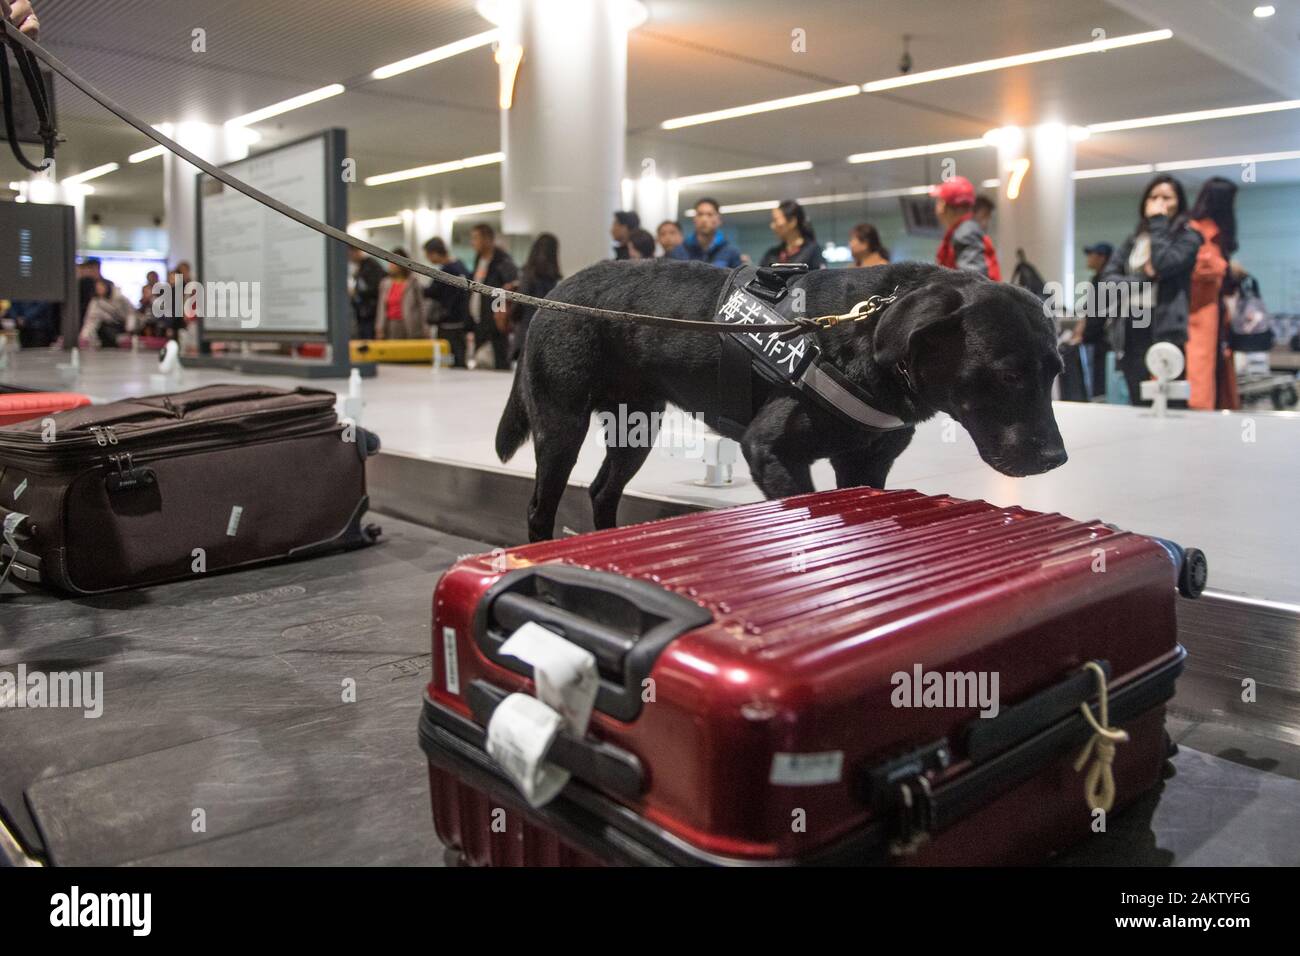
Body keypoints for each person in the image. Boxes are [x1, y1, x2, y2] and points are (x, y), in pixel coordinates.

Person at [1100, 174, 1202, 407]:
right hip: (1132, 322)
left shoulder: (1189, 238)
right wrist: (1144, 278)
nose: (1159, 202)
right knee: (1138, 395)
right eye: (1153, 197)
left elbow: (1164, 262)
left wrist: (1158, 222)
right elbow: (1108, 280)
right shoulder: (1134, 239)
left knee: (1168, 395)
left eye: (1166, 197)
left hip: (1165, 323)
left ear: (1179, 203)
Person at [1187, 177, 1240, 411]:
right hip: (1200, 311)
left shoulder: (1209, 231)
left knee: (1212, 366)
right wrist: (1227, 267)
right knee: (1201, 366)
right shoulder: (1199, 230)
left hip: (1211, 312)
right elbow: (1200, 267)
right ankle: (1201, 417)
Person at [468, 222, 518, 370]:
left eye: (476, 238)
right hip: (478, 323)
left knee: (498, 364)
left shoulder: (503, 262)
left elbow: (506, 290)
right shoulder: (479, 261)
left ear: (488, 239)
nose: (473, 243)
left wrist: (498, 315)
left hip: (495, 327)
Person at [931, 176, 1001, 279]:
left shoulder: (965, 232)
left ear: (943, 205)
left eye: (939, 201)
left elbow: (973, 283)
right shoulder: (965, 230)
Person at [1070, 242, 1113, 399]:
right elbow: (1090, 310)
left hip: (1103, 340)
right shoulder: (1097, 279)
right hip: (1094, 339)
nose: (1088, 258)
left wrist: (1084, 334)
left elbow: (1099, 313)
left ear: (1102, 257)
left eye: (1092, 254)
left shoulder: (1108, 281)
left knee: (1102, 381)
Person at [422, 237, 472, 368]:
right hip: (462, 322)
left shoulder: (446, 271)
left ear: (434, 253)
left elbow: (432, 292)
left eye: (427, 255)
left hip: (448, 322)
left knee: (448, 359)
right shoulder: (461, 266)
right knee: (460, 356)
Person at [511, 232, 561, 362]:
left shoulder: (528, 275)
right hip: (545, 334)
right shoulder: (554, 279)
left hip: (526, 332)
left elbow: (519, 304)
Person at [668, 198, 743, 268]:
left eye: (709, 214)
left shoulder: (731, 253)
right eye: (700, 214)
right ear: (694, 219)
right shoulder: (679, 252)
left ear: (719, 220)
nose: (704, 219)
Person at [374, 249, 426, 340]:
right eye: (390, 261)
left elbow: (421, 306)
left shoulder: (413, 283)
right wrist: (379, 327)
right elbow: (381, 307)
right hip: (390, 325)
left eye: (394, 262)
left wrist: (424, 327)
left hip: (410, 326)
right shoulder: (385, 283)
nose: (391, 265)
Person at [761, 199, 824, 269]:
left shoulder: (812, 251)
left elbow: (820, 278)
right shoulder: (771, 255)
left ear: (792, 222)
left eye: (776, 220)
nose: (772, 226)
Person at [80, 278, 136, 348]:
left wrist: (130, 330)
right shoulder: (96, 302)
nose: (99, 289)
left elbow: (130, 313)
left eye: (101, 287)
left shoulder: (121, 299)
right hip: (108, 329)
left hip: (124, 326)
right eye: (97, 288)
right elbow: (91, 319)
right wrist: (84, 336)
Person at [348, 247, 386, 339]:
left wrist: (356, 292)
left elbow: (376, 288)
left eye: (349, 255)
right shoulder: (361, 267)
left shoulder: (371, 265)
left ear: (356, 251)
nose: (349, 258)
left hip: (371, 314)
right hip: (363, 313)